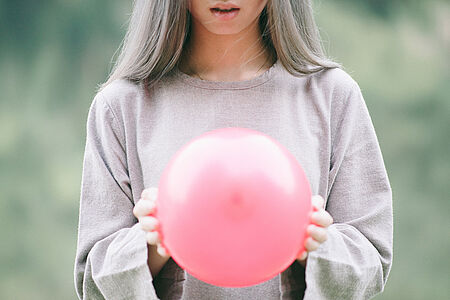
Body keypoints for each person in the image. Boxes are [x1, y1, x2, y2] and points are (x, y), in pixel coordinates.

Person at [73, 0, 393, 299]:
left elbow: (372, 256)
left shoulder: (332, 96)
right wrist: (154, 238)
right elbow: (92, 276)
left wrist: (312, 242)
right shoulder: (120, 106)